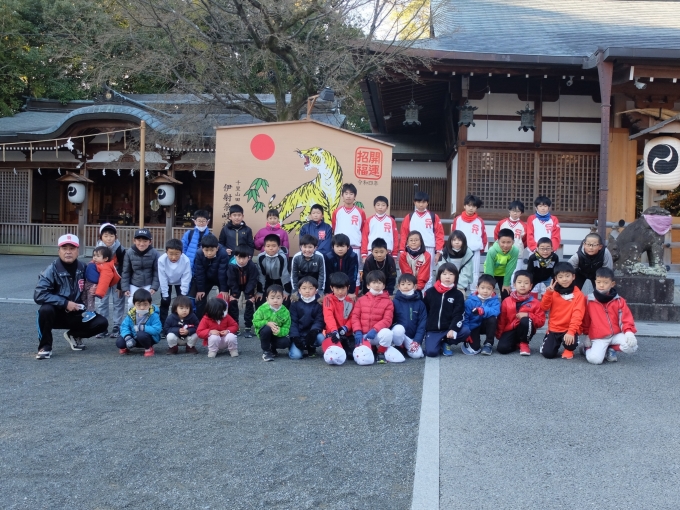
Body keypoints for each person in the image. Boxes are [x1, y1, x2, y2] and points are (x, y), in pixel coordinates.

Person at [34, 234, 109, 359]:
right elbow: (39, 294)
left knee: (102, 323)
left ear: (77, 251)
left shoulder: (85, 267)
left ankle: (74, 335)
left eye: (72, 248)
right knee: (45, 310)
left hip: (78, 313)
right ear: (59, 251)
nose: (68, 252)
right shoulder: (50, 270)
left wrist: (94, 288)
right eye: (64, 248)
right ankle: (45, 346)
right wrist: (65, 303)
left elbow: (97, 281)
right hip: (57, 314)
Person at [581, 267, 638, 365]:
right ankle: (586, 349)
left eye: (605, 282)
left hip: (615, 334)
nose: (601, 285)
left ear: (612, 284)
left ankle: (611, 349)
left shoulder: (619, 300)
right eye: (598, 282)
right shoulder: (588, 300)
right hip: (599, 337)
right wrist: (587, 335)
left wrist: (629, 332)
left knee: (632, 346)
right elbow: (586, 319)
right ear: (595, 282)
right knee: (595, 360)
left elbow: (625, 318)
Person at [352, 270, 401, 365]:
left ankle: (380, 352)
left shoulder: (388, 302)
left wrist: (375, 329)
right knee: (364, 360)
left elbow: (387, 320)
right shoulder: (361, 300)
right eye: (374, 282)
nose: (377, 285)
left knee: (387, 333)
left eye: (379, 283)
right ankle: (371, 348)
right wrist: (357, 331)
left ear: (383, 286)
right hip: (363, 335)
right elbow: (355, 317)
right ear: (368, 285)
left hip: (376, 334)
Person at [539, 262, 586, 360]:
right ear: (556, 278)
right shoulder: (552, 292)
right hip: (554, 328)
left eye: (567, 276)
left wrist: (571, 331)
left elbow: (578, 315)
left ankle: (569, 349)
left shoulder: (579, 295)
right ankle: (550, 341)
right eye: (560, 277)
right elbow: (544, 308)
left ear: (573, 277)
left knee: (570, 342)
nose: (564, 279)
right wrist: (548, 294)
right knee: (548, 353)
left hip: (569, 329)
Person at [399, 191, 445, 289]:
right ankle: (411, 292)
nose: (421, 204)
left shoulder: (433, 216)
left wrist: (438, 251)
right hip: (412, 248)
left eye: (423, 202)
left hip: (429, 247)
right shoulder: (409, 217)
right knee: (412, 272)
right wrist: (403, 250)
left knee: (428, 274)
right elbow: (404, 234)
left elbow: (439, 234)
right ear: (414, 202)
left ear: (427, 203)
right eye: (418, 202)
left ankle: (425, 295)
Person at [422, 263, 468, 357]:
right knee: (431, 353)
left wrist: (453, 329)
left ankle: (447, 343)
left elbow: (458, 314)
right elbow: (424, 311)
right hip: (433, 330)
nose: (448, 277)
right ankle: (437, 342)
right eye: (444, 274)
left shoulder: (458, 294)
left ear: (456, 277)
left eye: (451, 274)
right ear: (439, 275)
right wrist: (425, 328)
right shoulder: (430, 292)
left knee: (465, 331)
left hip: (448, 329)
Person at [495, 270, 546, 355]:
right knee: (502, 349)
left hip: (525, 329)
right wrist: (500, 335)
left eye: (526, 283)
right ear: (514, 285)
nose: (522, 285)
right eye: (519, 282)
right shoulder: (507, 301)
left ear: (531, 286)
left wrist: (528, 315)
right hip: (510, 328)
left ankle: (524, 343)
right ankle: (516, 344)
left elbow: (541, 322)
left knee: (525, 320)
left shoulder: (535, 302)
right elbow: (502, 319)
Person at [95, 223, 126, 339]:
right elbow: (95, 264)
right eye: (106, 236)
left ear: (116, 237)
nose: (109, 238)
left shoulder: (120, 249)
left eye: (111, 236)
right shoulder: (98, 249)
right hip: (103, 279)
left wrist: (121, 284)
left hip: (117, 277)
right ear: (101, 237)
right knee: (102, 302)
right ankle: (102, 326)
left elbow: (123, 266)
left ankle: (117, 326)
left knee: (118, 301)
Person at [331, 183, 366, 284]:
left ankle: (353, 292)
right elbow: (334, 227)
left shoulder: (360, 212)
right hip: (339, 247)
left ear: (355, 196)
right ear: (342, 195)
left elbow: (363, 230)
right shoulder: (336, 212)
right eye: (346, 193)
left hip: (355, 247)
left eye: (351, 194)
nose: (348, 196)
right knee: (339, 272)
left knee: (355, 273)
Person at [460, 274, 501, 356]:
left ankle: (488, 343)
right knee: (475, 348)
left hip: (486, 326)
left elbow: (496, 311)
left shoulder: (495, 301)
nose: (485, 291)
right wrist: (466, 332)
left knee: (492, 319)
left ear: (493, 290)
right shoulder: (470, 301)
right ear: (477, 288)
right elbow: (465, 317)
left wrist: (483, 310)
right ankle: (470, 342)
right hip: (474, 326)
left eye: (489, 288)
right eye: (482, 288)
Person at [452, 194, 487, 290]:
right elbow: (453, 234)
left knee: (475, 273)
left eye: (474, 206)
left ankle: (473, 293)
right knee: (458, 271)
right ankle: (458, 292)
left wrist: (481, 249)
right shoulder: (458, 219)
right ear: (464, 206)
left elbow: (483, 236)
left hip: (474, 251)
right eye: (469, 205)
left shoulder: (479, 221)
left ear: (476, 208)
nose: (471, 208)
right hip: (460, 250)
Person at [120, 228, 160, 310]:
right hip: (134, 283)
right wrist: (125, 288)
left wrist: (154, 287)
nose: (141, 244)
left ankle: (147, 318)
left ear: (150, 242)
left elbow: (157, 271)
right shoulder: (129, 253)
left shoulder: (155, 253)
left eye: (145, 241)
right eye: (139, 240)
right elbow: (126, 271)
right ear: (134, 241)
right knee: (131, 303)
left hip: (148, 284)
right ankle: (132, 318)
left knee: (146, 304)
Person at [192, 234, 230, 318]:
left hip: (220, 278)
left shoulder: (223, 253)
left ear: (217, 248)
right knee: (200, 298)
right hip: (206, 278)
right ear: (202, 248)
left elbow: (223, 272)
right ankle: (200, 320)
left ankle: (224, 319)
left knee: (224, 298)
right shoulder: (199, 253)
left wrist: (224, 289)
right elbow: (199, 272)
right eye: (206, 250)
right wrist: (200, 289)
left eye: (212, 250)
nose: (209, 253)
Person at [116, 288, 162, 357]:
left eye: (145, 305)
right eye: (139, 305)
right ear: (134, 304)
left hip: (147, 338)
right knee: (119, 342)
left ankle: (148, 348)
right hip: (133, 337)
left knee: (141, 334)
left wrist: (143, 328)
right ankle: (127, 346)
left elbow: (157, 329)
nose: (142, 307)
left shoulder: (153, 315)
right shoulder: (131, 314)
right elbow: (124, 326)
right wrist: (127, 337)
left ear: (150, 303)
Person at [158, 238, 192, 328]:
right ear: (166, 252)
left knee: (182, 304)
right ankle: (163, 325)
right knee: (165, 302)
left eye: (177, 254)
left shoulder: (186, 260)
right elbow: (162, 277)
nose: (174, 257)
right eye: (171, 254)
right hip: (166, 281)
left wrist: (183, 293)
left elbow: (186, 276)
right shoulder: (161, 260)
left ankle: (180, 324)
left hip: (180, 281)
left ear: (181, 252)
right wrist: (165, 293)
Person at [226, 245, 259, 338]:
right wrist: (235, 294)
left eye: (244, 258)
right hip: (235, 286)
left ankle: (248, 327)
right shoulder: (232, 265)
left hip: (248, 286)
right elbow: (231, 280)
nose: (241, 260)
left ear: (249, 257)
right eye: (239, 257)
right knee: (233, 302)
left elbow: (253, 280)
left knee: (250, 302)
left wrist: (248, 294)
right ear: (235, 256)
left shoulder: (252, 266)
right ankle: (235, 326)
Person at [288, 276, 325, 359]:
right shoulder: (295, 303)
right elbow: (293, 322)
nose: (307, 291)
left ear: (316, 291)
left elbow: (319, 320)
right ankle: (294, 346)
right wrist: (295, 337)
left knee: (321, 338)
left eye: (311, 288)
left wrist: (313, 332)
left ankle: (311, 346)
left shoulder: (319, 303)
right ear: (299, 290)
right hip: (299, 334)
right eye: (304, 288)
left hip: (311, 333)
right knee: (296, 356)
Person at [391, 274, 426, 359]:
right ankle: (399, 346)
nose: (406, 286)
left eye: (409, 284)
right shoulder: (395, 302)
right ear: (398, 287)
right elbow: (390, 320)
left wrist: (417, 340)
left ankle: (407, 347)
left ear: (415, 286)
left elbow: (422, 324)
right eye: (403, 284)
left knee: (417, 355)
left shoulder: (420, 303)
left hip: (411, 337)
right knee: (398, 329)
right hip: (398, 335)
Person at [322, 272, 355, 362]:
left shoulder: (350, 301)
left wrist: (346, 328)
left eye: (343, 288)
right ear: (331, 288)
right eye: (337, 288)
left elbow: (353, 317)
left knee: (352, 355)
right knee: (335, 355)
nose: (340, 292)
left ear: (348, 287)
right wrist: (334, 331)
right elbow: (328, 316)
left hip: (346, 333)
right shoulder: (328, 299)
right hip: (333, 333)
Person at [253, 285, 291, 361]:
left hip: (276, 334)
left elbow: (287, 328)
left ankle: (272, 348)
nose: (275, 300)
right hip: (264, 333)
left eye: (278, 298)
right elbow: (255, 322)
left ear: (283, 298)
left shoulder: (285, 312)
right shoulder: (262, 309)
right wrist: (266, 323)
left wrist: (279, 331)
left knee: (286, 342)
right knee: (266, 329)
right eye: (272, 298)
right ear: (267, 299)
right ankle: (266, 351)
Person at [83, 245, 120, 322]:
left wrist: (99, 292)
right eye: (94, 255)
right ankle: (85, 309)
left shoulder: (106, 267)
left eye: (98, 256)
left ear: (105, 259)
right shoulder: (96, 263)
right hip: (87, 283)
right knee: (84, 297)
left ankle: (90, 312)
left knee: (90, 298)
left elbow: (104, 281)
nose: (95, 258)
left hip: (93, 285)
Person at [483, 228, 519, 301]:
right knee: (489, 293)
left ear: (513, 242)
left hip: (504, 274)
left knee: (506, 293)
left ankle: (504, 308)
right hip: (491, 273)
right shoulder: (492, 250)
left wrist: (506, 284)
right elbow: (489, 267)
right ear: (498, 241)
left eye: (508, 242)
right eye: (503, 242)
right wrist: (490, 284)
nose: (505, 245)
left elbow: (510, 268)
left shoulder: (515, 251)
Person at [255, 233, 291, 306]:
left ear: (279, 247)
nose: (271, 248)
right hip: (267, 281)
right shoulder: (260, 257)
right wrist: (260, 291)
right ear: (264, 247)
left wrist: (286, 291)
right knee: (259, 300)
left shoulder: (282, 258)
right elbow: (261, 275)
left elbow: (284, 275)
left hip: (280, 282)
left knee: (285, 300)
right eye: (268, 246)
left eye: (274, 246)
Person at [361, 196, 398, 261]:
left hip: (387, 252)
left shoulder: (391, 220)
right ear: (374, 206)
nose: (380, 207)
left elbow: (395, 237)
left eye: (383, 205)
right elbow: (365, 237)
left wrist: (394, 254)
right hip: (371, 252)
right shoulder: (369, 220)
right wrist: (364, 254)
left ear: (387, 207)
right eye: (378, 205)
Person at [438, 230, 474, 296]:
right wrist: (449, 283)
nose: (457, 242)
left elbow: (467, 272)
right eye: (454, 240)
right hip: (446, 284)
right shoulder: (444, 252)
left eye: (459, 240)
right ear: (450, 241)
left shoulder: (468, 253)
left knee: (460, 295)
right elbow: (441, 270)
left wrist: (458, 286)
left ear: (464, 241)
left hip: (461, 285)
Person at [494, 200, 527, 271]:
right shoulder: (502, 223)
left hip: (517, 254)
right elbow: (497, 236)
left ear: (521, 213)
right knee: (502, 273)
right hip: (502, 254)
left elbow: (525, 241)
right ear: (509, 211)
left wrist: (519, 246)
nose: (515, 213)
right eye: (513, 211)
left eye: (518, 211)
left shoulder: (524, 226)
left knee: (515, 274)